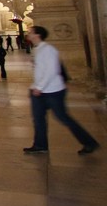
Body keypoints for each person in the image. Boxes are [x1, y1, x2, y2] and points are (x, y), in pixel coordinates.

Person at [22, 25, 99, 155]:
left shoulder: (48, 49)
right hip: (39, 91)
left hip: (53, 91)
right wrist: (35, 86)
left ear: (38, 35)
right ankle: (40, 145)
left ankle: (89, 143)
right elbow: (40, 70)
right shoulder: (37, 49)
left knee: (63, 118)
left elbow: (52, 70)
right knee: (38, 119)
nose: (28, 34)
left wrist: (39, 87)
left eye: (30, 32)